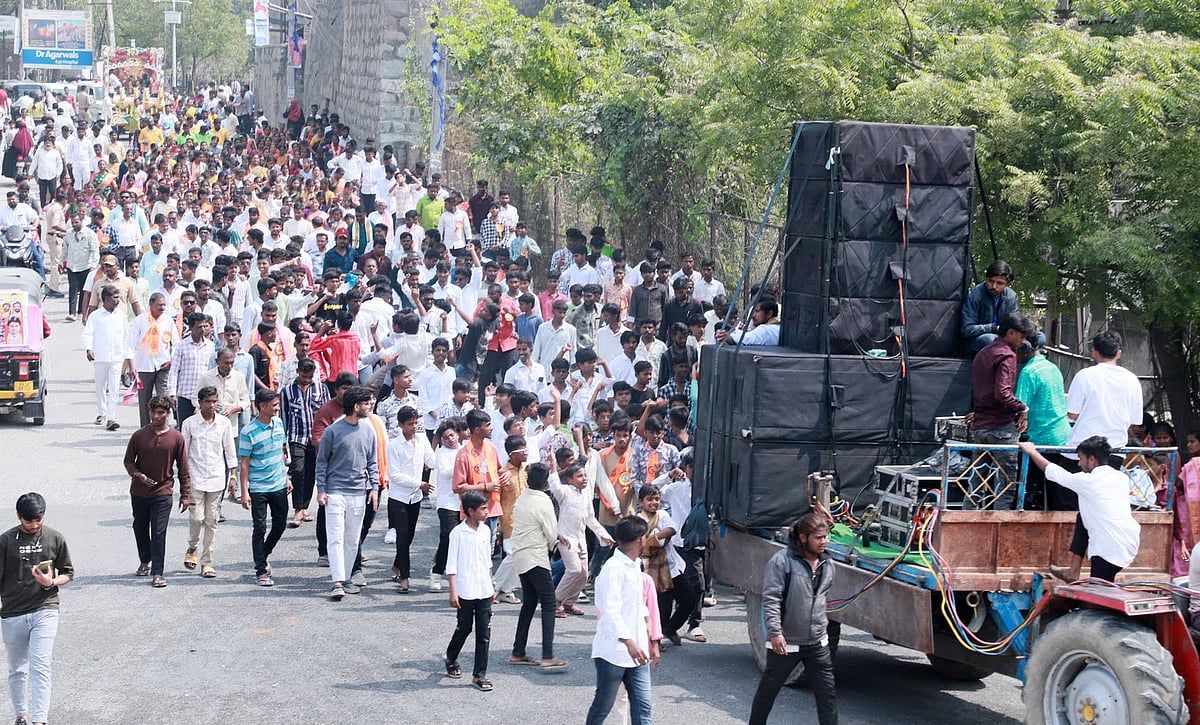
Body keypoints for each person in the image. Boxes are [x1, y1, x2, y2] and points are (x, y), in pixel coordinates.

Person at [1053, 329, 1144, 579]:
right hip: (1114, 454)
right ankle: (1074, 568)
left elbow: (1072, 414)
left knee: (1065, 496)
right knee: (1087, 509)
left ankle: (1073, 567)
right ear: (1119, 353)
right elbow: (1136, 420)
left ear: (1093, 352)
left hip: (1083, 452)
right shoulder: (1131, 379)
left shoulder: (1086, 375)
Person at [749, 512, 838, 725]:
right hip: (786, 644)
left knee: (828, 697)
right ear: (803, 538)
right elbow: (771, 600)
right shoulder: (782, 562)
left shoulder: (827, 563)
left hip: (817, 643)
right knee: (767, 693)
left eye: (826, 537)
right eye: (818, 538)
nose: (824, 542)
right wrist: (776, 633)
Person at [1020, 438, 1140, 582]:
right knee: (1082, 517)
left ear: (1091, 460)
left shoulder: (1089, 481)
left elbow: (1054, 472)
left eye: (1081, 459)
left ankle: (1079, 579)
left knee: (1100, 594)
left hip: (1109, 548)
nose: (1079, 463)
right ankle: (1073, 572)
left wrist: (1032, 452)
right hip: (1128, 541)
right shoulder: (1120, 477)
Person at [0, 493, 73, 725]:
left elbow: (68, 573)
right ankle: (21, 714)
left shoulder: (54, 538)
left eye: (38, 520)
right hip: (13, 612)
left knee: (40, 664)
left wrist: (51, 582)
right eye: (28, 521)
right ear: (19, 517)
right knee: (17, 668)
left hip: (45, 608)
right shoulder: (6, 541)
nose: (34, 525)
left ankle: (40, 720)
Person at [584, 515, 657, 725]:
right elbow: (610, 610)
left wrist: (648, 626)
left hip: (638, 651)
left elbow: (635, 600)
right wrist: (629, 642)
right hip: (613, 652)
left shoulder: (635, 565)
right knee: (602, 708)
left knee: (643, 710)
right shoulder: (613, 569)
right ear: (640, 540)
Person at [315, 385, 380, 600]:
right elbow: (322, 462)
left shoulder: (368, 429)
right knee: (335, 537)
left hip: (359, 493)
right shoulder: (333, 430)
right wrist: (321, 490)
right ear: (355, 406)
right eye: (366, 403)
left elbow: (372, 461)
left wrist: (374, 488)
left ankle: (347, 577)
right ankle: (337, 581)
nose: (369, 406)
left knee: (352, 539)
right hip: (335, 492)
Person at [966, 312, 1034, 510]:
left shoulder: (983, 353)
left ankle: (966, 521)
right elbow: (1002, 393)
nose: (1023, 342)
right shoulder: (1007, 355)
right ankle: (999, 527)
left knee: (976, 481)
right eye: (1021, 336)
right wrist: (1023, 408)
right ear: (1011, 333)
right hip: (1001, 429)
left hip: (980, 426)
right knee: (1006, 485)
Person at [122, 396, 191, 588]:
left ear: (168, 414)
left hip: (163, 491)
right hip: (139, 491)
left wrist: (186, 495)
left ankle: (158, 572)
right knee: (140, 527)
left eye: (161, 412)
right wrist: (137, 475)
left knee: (159, 532)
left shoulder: (176, 438)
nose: (156, 416)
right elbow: (128, 461)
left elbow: (184, 468)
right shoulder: (139, 435)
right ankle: (145, 560)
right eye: (153, 412)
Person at [508, 462, 568, 670]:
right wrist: (557, 542)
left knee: (529, 603)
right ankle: (548, 655)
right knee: (549, 603)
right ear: (545, 483)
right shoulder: (544, 501)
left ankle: (518, 651)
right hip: (536, 557)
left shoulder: (523, 498)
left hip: (521, 555)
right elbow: (551, 533)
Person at [180, 386, 237, 579]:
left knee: (212, 520)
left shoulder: (223, 424)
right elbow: (184, 453)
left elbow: (229, 451)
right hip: (195, 478)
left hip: (216, 479)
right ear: (200, 402)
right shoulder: (189, 424)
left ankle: (207, 562)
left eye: (214, 401)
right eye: (207, 402)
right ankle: (192, 547)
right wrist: (183, 481)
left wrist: (233, 476)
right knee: (196, 518)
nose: (211, 405)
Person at [443, 490, 496, 692]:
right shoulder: (457, 533)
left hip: (483, 587)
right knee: (464, 627)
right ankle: (451, 656)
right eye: (483, 508)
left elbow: (487, 560)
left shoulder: (485, 530)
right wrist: (452, 591)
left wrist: (491, 586)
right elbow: (452, 565)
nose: (486, 511)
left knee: (484, 633)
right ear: (471, 511)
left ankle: (479, 675)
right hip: (465, 589)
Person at [238, 389, 291, 587]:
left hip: (278, 483)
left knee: (280, 524)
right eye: (274, 405)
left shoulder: (278, 424)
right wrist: (244, 492)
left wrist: (287, 477)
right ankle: (261, 570)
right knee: (259, 527)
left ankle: (263, 554)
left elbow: (282, 452)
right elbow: (244, 463)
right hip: (258, 486)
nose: (277, 408)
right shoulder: (248, 432)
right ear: (262, 406)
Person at [386, 406, 435, 593]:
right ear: (400, 425)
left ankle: (398, 564)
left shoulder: (422, 440)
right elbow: (394, 474)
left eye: (416, 423)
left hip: (414, 498)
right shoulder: (394, 445)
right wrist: (419, 484)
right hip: (398, 497)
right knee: (403, 536)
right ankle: (405, 578)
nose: (413, 427)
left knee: (410, 535)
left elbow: (431, 460)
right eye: (409, 424)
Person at [81, 284, 133, 430]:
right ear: (105, 299)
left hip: (117, 358)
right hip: (100, 357)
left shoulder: (120, 316)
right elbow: (88, 334)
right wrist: (88, 349)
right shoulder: (95, 316)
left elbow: (126, 337)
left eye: (118, 297)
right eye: (115, 297)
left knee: (114, 388)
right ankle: (101, 412)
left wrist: (129, 359)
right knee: (100, 386)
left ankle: (111, 417)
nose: (118, 300)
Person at [961, 259, 1027, 354]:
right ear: (986, 279)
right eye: (991, 281)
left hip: (1005, 338)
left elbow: (1015, 324)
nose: (994, 286)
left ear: (1007, 284)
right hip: (978, 341)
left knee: (1040, 337)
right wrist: (992, 328)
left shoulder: (1011, 296)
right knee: (991, 339)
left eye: (999, 283)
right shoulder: (974, 295)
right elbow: (966, 329)